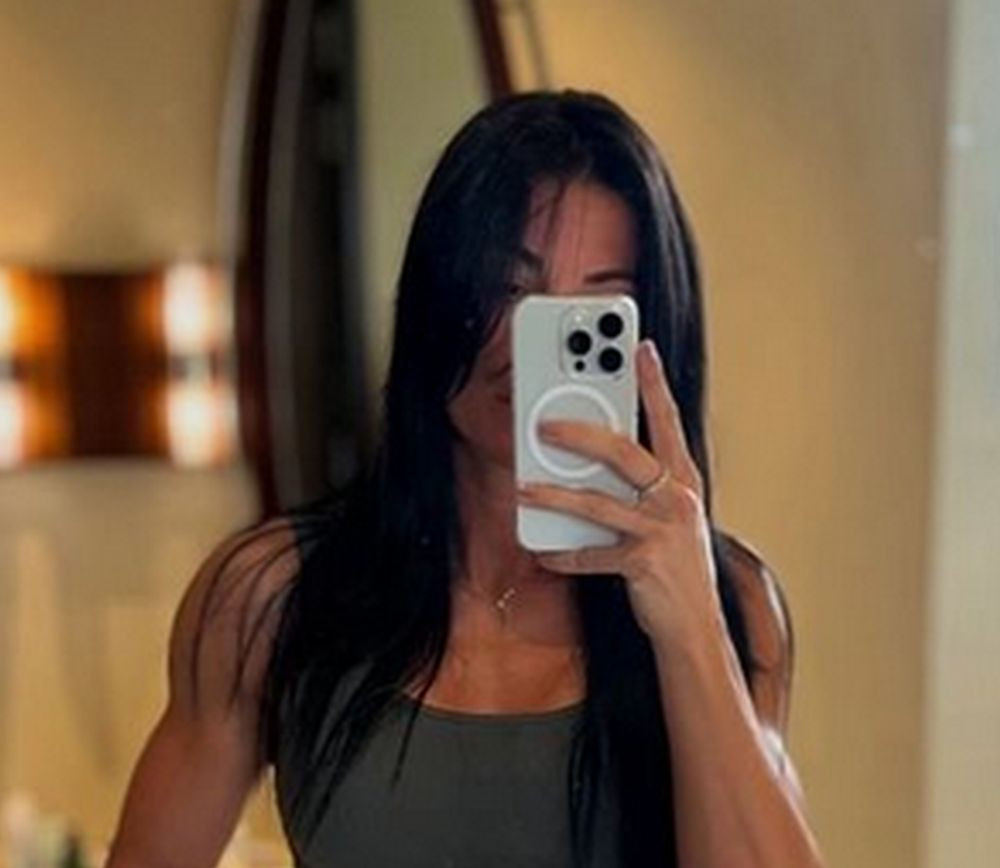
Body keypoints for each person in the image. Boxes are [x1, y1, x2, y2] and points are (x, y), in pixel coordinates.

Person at [106, 90, 825, 868]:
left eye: (594, 316)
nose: (531, 349)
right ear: (437, 295)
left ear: (652, 337)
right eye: (508, 287)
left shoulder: (733, 604)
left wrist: (690, 627)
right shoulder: (272, 596)